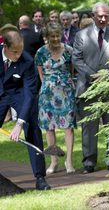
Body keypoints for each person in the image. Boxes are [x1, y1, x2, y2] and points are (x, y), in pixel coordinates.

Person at [72, 2, 109, 173]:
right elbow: (76, 59)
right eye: (100, 16)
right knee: (89, 127)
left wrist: (107, 75)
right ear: (93, 16)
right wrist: (93, 75)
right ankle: (89, 161)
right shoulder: (81, 35)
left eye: (106, 16)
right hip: (88, 86)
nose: (103, 19)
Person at [0, 29, 50, 190]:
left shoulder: (27, 61)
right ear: (5, 47)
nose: (18, 55)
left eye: (20, 51)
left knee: (33, 125)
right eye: (14, 52)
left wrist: (19, 123)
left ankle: (40, 177)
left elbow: (29, 94)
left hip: (19, 93)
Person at [35, 22, 76, 174]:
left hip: (66, 92)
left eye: (57, 35)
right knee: (49, 128)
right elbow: (41, 75)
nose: (55, 38)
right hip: (47, 94)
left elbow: (71, 72)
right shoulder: (40, 52)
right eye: (52, 36)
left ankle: (69, 161)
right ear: (47, 37)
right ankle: (53, 161)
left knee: (68, 128)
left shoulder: (69, 51)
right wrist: (48, 88)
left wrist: (66, 85)